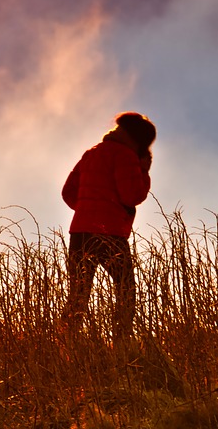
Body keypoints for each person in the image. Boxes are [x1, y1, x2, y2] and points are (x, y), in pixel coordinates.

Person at [60, 112, 156, 339]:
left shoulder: (91, 154)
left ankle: (64, 343)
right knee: (126, 291)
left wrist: (87, 209)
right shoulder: (126, 156)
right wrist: (144, 171)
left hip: (80, 233)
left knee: (78, 295)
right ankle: (121, 342)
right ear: (139, 139)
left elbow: (68, 193)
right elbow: (132, 195)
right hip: (110, 233)